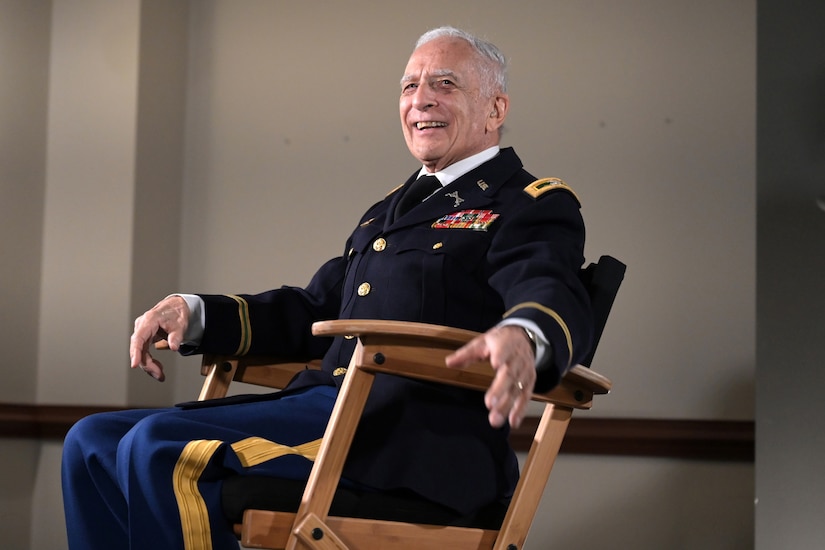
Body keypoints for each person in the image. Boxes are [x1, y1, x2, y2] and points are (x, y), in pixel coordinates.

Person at [61, 26, 593, 550]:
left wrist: (524, 336)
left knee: (160, 450)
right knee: (91, 442)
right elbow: (315, 309)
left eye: (445, 84)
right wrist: (196, 312)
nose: (420, 100)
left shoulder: (529, 202)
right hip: (326, 410)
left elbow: (547, 284)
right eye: (409, 86)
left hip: (408, 443)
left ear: (496, 109)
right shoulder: (391, 209)